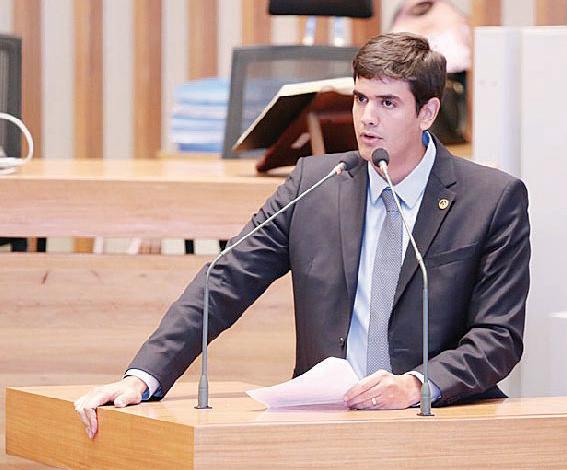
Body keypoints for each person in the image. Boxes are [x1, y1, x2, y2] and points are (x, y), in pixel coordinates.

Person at [75, 32, 530, 439]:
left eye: (387, 103)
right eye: (360, 99)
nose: (367, 118)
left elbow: (498, 337)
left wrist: (416, 385)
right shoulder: (315, 184)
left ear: (427, 112)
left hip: (440, 425)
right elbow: (223, 281)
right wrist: (143, 377)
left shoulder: (490, 199)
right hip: (326, 424)